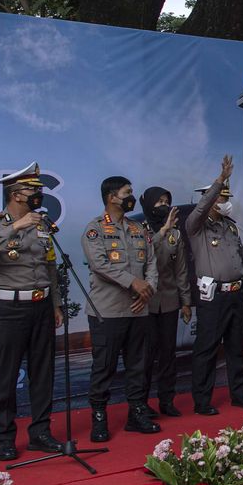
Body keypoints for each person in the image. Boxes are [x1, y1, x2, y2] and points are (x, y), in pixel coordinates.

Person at [0, 163, 64, 461]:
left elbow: (50, 266)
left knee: (43, 373)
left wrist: (56, 304)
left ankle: (40, 433)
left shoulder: (42, 224)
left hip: (41, 306)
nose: (38, 194)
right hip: (10, 308)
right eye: (32, 190)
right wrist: (15, 226)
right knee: (7, 375)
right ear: (16, 194)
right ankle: (5, 437)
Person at [81, 175, 160, 441]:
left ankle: (137, 413)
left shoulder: (139, 229)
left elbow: (152, 263)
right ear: (112, 197)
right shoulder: (95, 230)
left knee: (138, 366)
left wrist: (148, 289)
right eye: (127, 192)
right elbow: (100, 265)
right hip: (108, 312)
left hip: (139, 309)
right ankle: (99, 418)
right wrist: (134, 283)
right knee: (104, 367)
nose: (131, 196)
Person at [186, 155, 243, 415]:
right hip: (213, 297)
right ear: (211, 201)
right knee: (206, 348)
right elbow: (200, 210)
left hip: (236, 294)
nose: (227, 203)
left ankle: (239, 394)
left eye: (227, 198)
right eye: (222, 198)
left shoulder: (231, 227)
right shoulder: (196, 227)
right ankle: (202, 401)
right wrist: (219, 180)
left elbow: (240, 260)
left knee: (236, 347)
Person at [138, 186, 191, 418]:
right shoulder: (139, 230)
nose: (163, 205)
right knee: (145, 356)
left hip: (169, 301)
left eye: (166, 201)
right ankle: (140, 403)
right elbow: (144, 258)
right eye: (158, 202)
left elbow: (181, 271)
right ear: (148, 204)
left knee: (168, 355)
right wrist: (162, 231)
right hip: (145, 303)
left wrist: (186, 301)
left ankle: (167, 400)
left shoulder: (175, 234)